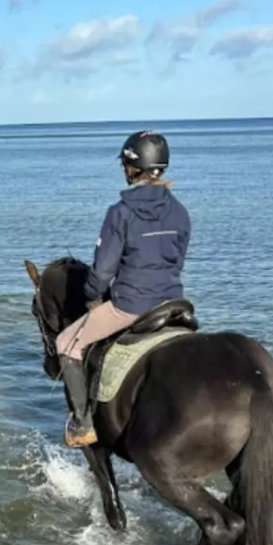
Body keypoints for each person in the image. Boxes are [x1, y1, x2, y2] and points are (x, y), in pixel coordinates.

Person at [54, 130, 191, 447]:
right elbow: (176, 261)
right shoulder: (181, 212)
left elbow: (102, 272)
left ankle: (82, 424)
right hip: (172, 303)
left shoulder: (120, 213)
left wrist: (92, 297)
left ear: (131, 167)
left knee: (65, 343)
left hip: (129, 305)